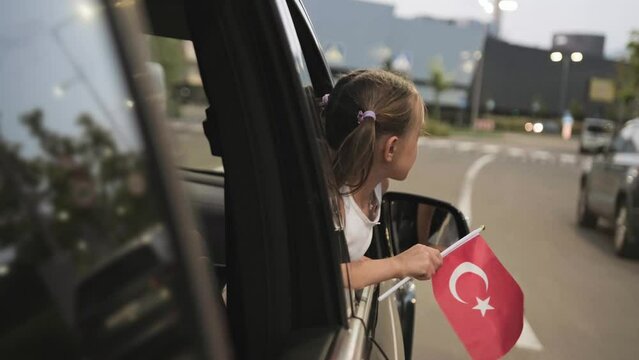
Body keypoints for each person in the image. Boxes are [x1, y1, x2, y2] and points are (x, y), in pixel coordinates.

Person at [322, 69, 442, 289]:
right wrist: (398, 264)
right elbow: (326, 274)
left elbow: (349, 259)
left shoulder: (377, 188)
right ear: (392, 147)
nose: (417, 147)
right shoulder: (336, 206)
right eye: (417, 137)